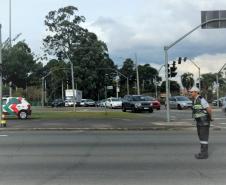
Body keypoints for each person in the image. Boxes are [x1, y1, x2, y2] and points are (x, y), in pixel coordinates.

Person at [189, 86, 212, 159]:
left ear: (196, 92)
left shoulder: (201, 99)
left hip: (204, 122)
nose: (190, 93)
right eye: (190, 92)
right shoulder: (195, 100)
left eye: (191, 92)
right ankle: (203, 152)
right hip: (199, 122)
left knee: (204, 138)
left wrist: (210, 118)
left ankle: (204, 154)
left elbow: (209, 109)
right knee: (201, 138)